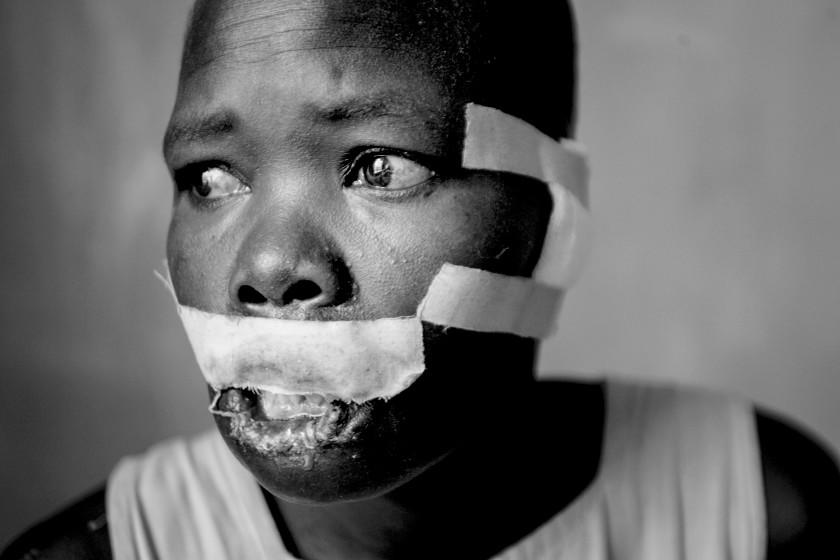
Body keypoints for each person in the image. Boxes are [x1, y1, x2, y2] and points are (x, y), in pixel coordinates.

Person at [3, 0, 838, 558]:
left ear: (553, 217)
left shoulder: (763, 511)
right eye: (212, 178)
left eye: (377, 167)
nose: (267, 269)